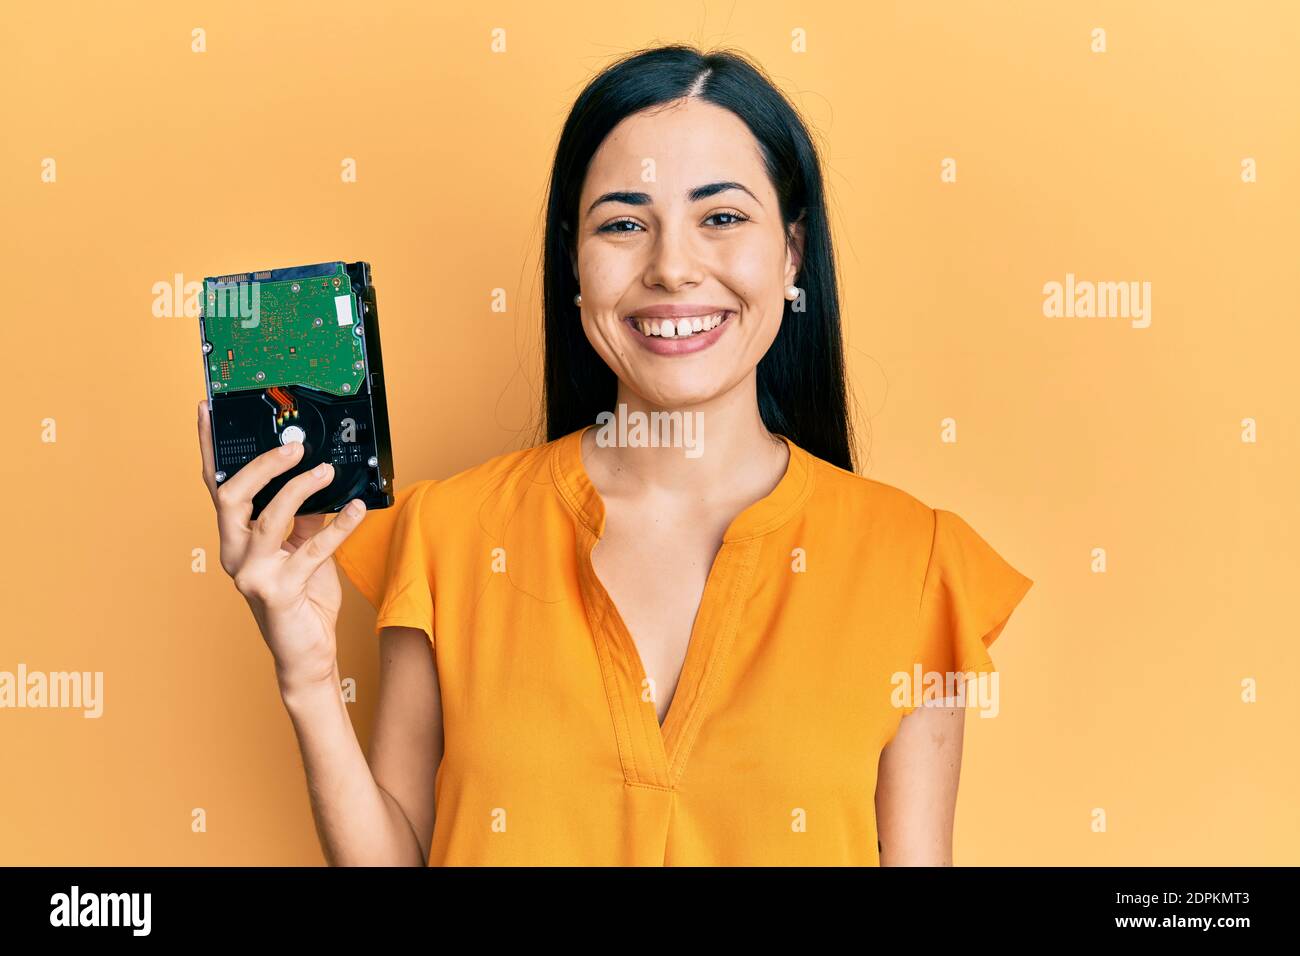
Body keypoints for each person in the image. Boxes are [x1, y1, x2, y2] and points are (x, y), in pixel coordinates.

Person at [197, 43, 1033, 866]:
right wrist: (307, 679)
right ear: (575, 261)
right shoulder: (447, 535)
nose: (672, 268)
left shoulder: (916, 565)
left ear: (792, 253)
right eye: (625, 224)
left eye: (723, 217)